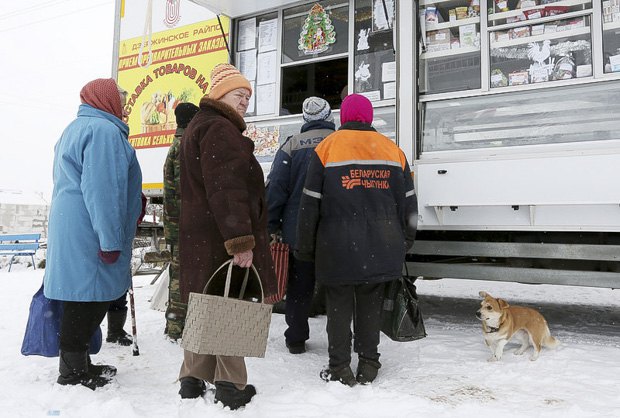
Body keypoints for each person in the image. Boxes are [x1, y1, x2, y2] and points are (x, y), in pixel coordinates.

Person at [295, 93, 417, 386]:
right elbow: (409, 203)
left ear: (345, 116)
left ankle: (339, 367)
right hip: (381, 244)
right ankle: (369, 363)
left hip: (336, 247)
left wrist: (305, 247)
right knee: (370, 304)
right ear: (370, 117)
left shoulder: (326, 148)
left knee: (338, 308)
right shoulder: (392, 151)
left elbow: (310, 203)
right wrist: (405, 241)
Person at [177, 63, 277, 409]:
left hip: (202, 235)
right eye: (239, 94)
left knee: (206, 303)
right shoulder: (219, 129)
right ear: (220, 95)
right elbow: (228, 189)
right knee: (228, 305)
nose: (245, 101)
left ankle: (191, 378)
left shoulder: (199, 126)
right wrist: (240, 240)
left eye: (248, 96)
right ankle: (231, 386)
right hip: (221, 237)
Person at [43, 78, 143, 390]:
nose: (123, 104)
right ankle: (73, 371)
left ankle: (78, 363)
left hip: (72, 225)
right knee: (88, 299)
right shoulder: (104, 132)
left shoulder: (76, 128)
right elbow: (103, 190)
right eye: (120, 98)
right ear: (106, 100)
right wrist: (110, 239)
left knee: (81, 297)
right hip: (91, 229)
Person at [266, 97, 335, 354]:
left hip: (298, 230)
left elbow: (276, 189)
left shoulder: (291, 145)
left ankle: (296, 338)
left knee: (299, 286)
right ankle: (340, 340)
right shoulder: (340, 144)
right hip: (335, 230)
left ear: (305, 120)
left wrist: (271, 224)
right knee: (338, 285)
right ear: (328, 117)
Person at [163, 102, 199, 340]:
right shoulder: (186, 147)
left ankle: (175, 326)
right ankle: (178, 328)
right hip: (186, 224)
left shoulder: (175, 146)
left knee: (178, 274)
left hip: (175, 223)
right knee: (182, 277)